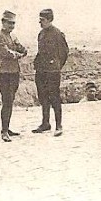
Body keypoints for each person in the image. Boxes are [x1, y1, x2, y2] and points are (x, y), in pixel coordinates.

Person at [33, 8, 69, 136]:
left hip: (52, 71)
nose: (40, 22)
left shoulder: (57, 33)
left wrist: (57, 65)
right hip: (41, 70)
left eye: (42, 20)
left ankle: (59, 125)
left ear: (49, 20)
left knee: (54, 97)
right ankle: (45, 123)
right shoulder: (41, 34)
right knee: (43, 97)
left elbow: (64, 52)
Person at [0, 10, 28, 141]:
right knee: (6, 101)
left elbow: (21, 48)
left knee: (10, 100)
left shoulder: (13, 37)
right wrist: (19, 54)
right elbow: (5, 53)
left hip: (14, 72)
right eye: (9, 23)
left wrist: (22, 50)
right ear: (3, 22)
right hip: (3, 73)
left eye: (13, 24)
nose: (11, 26)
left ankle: (7, 128)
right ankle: (4, 131)